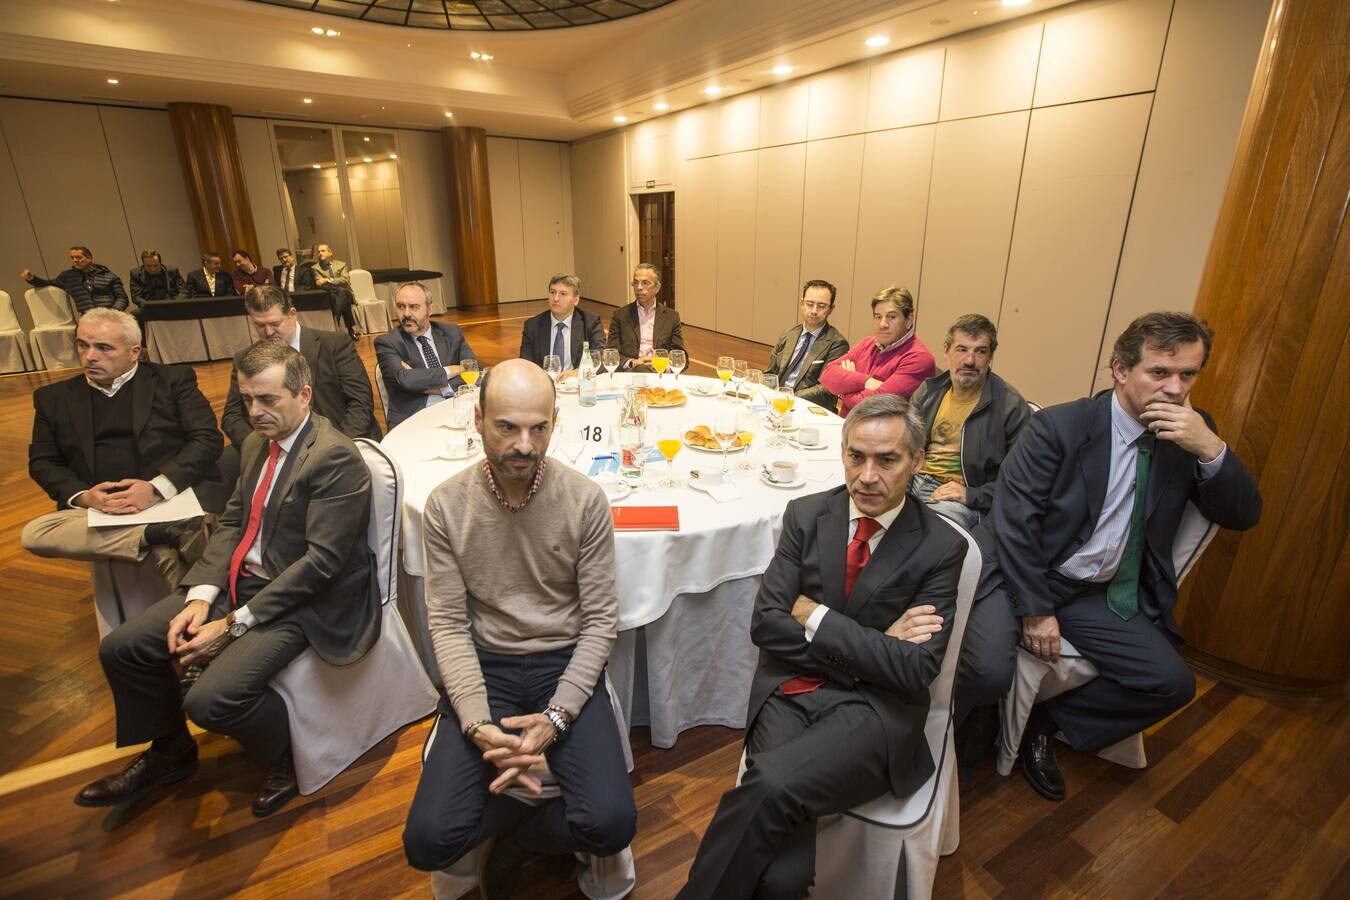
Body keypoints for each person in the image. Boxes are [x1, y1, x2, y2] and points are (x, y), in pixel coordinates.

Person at [73, 341, 381, 819]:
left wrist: (234, 623)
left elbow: (322, 564)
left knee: (211, 701)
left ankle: (290, 755)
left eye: (268, 400)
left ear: (304, 396)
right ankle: (170, 752)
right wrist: (201, 597)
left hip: (306, 600)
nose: (254, 413)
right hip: (241, 582)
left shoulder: (334, 458)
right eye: (247, 400)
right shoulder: (258, 442)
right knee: (123, 647)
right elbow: (234, 522)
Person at [679, 394, 968, 899]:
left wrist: (815, 616)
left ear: (917, 461)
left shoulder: (942, 547)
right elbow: (766, 625)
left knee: (767, 783)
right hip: (791, 690)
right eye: (856, 456)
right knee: (783, 876)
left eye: (887, 459)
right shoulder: (807, 515)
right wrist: (877, 643)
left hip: (874, 712)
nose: (867, 476)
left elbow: (916, 668)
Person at [994, 311, 1261, 801]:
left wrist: (1210, 447)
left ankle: (1048, 723)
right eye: (1159, 373)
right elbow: (1013, 522)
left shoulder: (1189, 434)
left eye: (1188, 375)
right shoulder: (1061, 426)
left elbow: (1244, 514)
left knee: (1173, 685)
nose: (1175, 389)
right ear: (1120, 370)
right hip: (1039, 577)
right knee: (984, 666)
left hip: (1104, 593)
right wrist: (1036, 610)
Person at [402, 359, 637, 893]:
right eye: (507, 427)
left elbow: (601, 622)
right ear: (478, 418)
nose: (525, 445)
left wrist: (556, 717)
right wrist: (476, 722)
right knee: (427, 842)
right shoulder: (446, 505)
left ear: (556, 421)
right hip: (489, 664)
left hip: (563, 661)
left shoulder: (585, 500)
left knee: (613, 825)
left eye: (539, 427)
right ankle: (528, 826)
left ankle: (518, 836)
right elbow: (448, 624)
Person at [22, 309, 222, 587]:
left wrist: (155, 489)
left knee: (172, 554)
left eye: (104, 348)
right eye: (83, 345)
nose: (90, 356)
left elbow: (207, 439)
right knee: (35, 533)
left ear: (134, 351)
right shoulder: (52, 399)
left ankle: (163, 545)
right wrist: (84, 497)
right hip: (100, 507)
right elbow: (43, 462)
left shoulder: (172, 381)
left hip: (169, 497)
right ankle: (160, 533)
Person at [909, 314, 1029, 531]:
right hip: (911, 479)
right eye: (962, 349)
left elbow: (1022, 480)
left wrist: (972, 494)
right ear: (946, 350)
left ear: (990, 356)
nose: (970, 361)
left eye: (980, 351)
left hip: (961, 497)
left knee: (930, 540)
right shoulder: (928, 392)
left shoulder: (1010, 407)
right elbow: (903, 444)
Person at [220, 286, 380, 447]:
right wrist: (263, 448)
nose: (268, 332)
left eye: (275, 323)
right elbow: (232, 417)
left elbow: (360, 401)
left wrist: (337, 445)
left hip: (338, 438)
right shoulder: (244, 358)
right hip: (276, 447)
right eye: (260, 326)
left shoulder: (335, 344)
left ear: (292, 314)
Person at [819, 286, 935, 416]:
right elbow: (827, 375)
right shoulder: (867, 343)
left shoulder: (920, 358)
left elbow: (874, 407)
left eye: (891, 317)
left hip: (882, 434)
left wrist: (845, 389)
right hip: (846, 427)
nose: (882, 324)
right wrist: (866, 382)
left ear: (909, 320)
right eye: (878, 317)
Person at [374, 282, 476, 430]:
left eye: (414, 307)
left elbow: (475, 371)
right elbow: (405, 380)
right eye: (401, 306)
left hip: (457, 409)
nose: (406, 313)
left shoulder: (451, 333)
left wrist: (441, 388)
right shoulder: (387, 342)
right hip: (413, 419)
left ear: (430, 309)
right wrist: (454, 370)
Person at [763, 279, 850, 408]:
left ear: (831, 309)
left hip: (807, 407)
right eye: (810, 304)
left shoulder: (837, 343)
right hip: (776, 401)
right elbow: (771, 373)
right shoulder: (788, 334)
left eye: (821, 306)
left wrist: (788, 396)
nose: (814, 311)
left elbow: (826, 389)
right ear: (802, 304)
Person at [519, 272, 605, 374]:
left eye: (563, 294)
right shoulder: (532, 325)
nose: (555, 298)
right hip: (545, 383)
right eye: (552, 292)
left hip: (577, 382)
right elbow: (525, 364)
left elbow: (599, 359)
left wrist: (575, 373)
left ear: (576, 300)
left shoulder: (590, 322)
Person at [607, 263, 684, 372]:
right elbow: (611, 353)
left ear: (657, 288)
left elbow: (680, 355)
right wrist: (633, 362)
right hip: (631, 372)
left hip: (659, 372)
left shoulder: (671, 317)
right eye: (635, 283)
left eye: (645, 283)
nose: (639, 287)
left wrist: (664, 367)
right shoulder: (620, 316)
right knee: (641, 369)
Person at [21, 245, 128, 314]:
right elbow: (47, 283)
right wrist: (31, 278)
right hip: (88, 318)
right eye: (72, 258)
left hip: (111, 314)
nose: (75, 260)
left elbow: (122, 298)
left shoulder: (109, 275)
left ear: (90, 258)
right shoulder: (67, 277)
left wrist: (113, 312)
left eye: (79, 257)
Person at [311, 243, 358, 340]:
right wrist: (333, 282)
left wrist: (328, 280)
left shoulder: (341, 264)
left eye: (323, 251)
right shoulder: (315, 268)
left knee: (342, 292)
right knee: (343, 294)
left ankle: (337, 313)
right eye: (318, 251)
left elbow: (345, 279)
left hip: (343, 292)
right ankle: (350, 329)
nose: (320, 253)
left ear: (330, 252)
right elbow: (319, 283)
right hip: (329, 293)